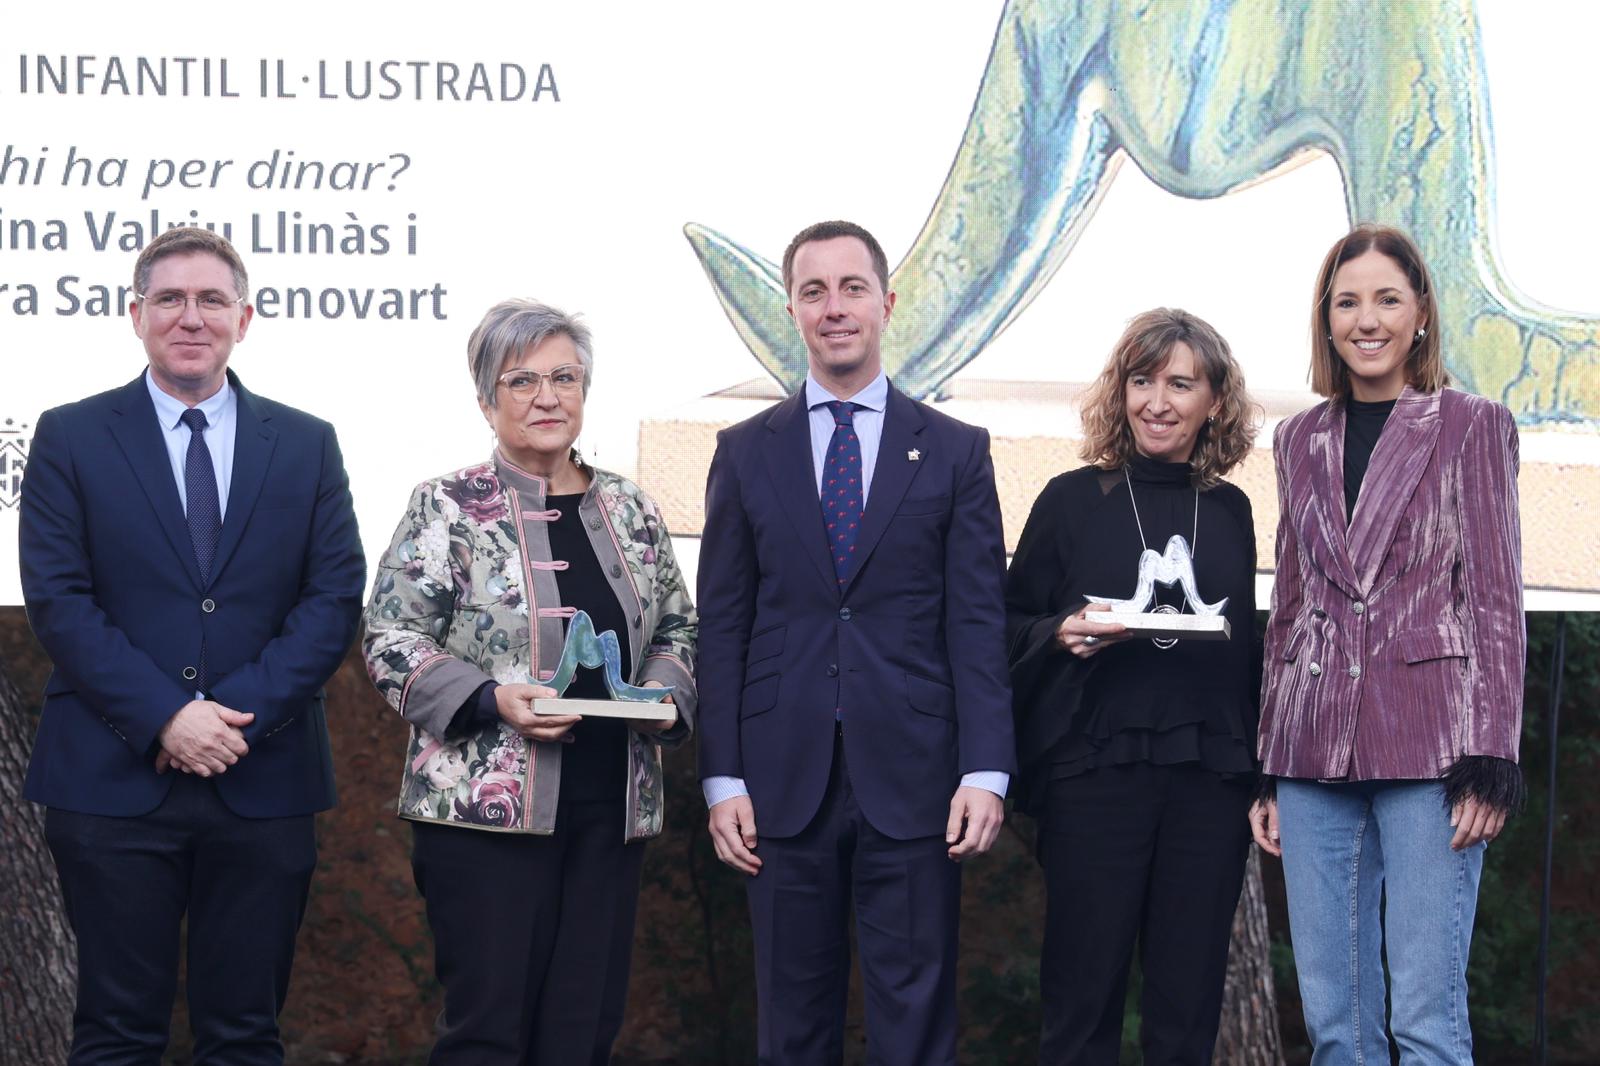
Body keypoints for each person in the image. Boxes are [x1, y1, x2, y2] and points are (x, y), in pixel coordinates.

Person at [18, 226, 365, 1063]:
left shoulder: (307, 441)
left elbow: (332, 597)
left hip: (263, 774)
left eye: (212, 299)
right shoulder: (70, 436)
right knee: (114, 1033)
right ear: (135, 314)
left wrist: (230, 718)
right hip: (110, 781)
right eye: (169, 298)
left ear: (244, 318)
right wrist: (171, 717)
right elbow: (59, 601)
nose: (191, 317)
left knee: (245, 1035)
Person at [696, 219, 1015, 1065]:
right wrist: (720, 775)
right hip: (777, 784)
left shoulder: (955, 453)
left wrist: (986, 770)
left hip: (917, 780)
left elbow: (977, 621)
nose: (833, 307)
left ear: (886, 303)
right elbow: (723, 623)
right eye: (813, 291)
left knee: (915, 1027)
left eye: (851, 288)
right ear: (793, 309)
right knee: (791, 1029)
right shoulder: (742, 452)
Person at [362, 298, 697, 1065]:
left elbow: (681, 625)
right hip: (483, 818)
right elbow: (391, 635)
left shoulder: (633, 508)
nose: (547, 397)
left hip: (611, 809)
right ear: (486, 399)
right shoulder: (446, 506)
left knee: (582, 1035)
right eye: (522, 380)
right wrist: (490, 699)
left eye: (564, 378)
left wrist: (662, 699)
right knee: (487, 1035)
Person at [1251, 224, 1525, 1064]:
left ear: (1421, 315)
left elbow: (1495, 599)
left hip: (1433, 753)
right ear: (1326, 320)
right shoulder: (1298, 440)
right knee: (1336, 1027)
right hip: (1312, 756)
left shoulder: (1473, 425)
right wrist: (1269, 762)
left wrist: (1492, 756)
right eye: (1347, 301)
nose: (1365, 319)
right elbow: (1291, 602)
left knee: (1427, 1021)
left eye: (1386, 299)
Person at [1006, 308, 1260, 1064]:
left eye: (1180, 383)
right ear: (1120, 393)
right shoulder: (1070, 498)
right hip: (1094, 775)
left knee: (1187, 1010)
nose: (1158, 400)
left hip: (1207, 782)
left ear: (1213, 400)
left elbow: (1242, 649)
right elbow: (1004, 622)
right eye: (1142, 380)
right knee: (1082, 1001)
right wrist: (1060, 630)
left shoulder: (1232, 510)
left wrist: (1262, 775)